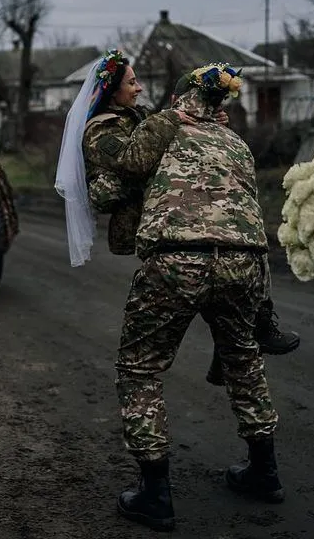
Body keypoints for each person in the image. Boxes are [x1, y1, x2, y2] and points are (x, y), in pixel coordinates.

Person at [103, 63, 286, 531]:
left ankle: (154, 491)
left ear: (180, 97)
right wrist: (264, 302)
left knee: (141, 367)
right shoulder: (237, 143)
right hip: (245, 261)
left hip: (178, 259)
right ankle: (264, 471)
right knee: (243, 358)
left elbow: (123, 170)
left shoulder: (164, 130)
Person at [55, 50, 300, 384]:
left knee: (219, 272)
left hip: (173, 213)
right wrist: (174, 122)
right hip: (153, 224)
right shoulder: (100, 130)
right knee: (194, 281)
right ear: (112, 90)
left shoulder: (135, 116)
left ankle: (232, 348)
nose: (139, 88)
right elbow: (130, 166)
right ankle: (228, 352)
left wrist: (203, 127)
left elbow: (165, 141)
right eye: (131, 82)